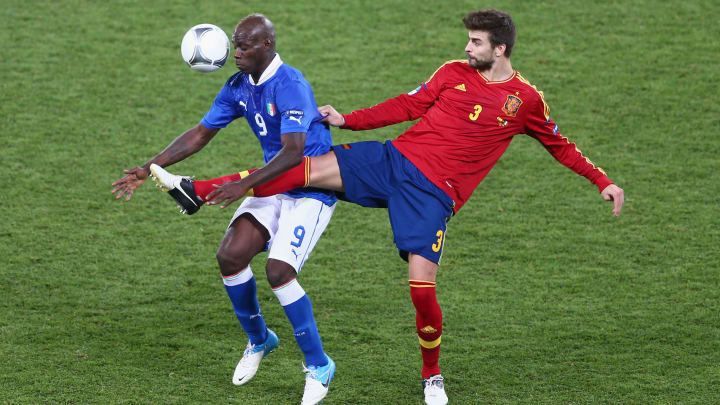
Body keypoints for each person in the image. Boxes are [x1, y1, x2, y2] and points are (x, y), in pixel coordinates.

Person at [151, 9, 625, 405]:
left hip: (433, 196)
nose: (467, 49)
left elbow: (560, 145)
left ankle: (432, 375)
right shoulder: (451, 73)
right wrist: (349, 121)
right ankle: (201, 187)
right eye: (468, 41)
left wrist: (601, 180)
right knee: (310, 168)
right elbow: (408, 104)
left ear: (500, 49)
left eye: (476, 43)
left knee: (421, 290)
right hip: (392, 161)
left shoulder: (524, 100)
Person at [111, 14, 337, 405]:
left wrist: (244, 183)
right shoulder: (238, 87)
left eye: (245, 46)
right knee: (230, 256)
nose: (237, 53)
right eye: (235, 45)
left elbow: (294, 152)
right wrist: (151, 167)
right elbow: (201, 134)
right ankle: (260, 340)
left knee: (279, 270)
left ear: (267, 45)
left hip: (310, 188)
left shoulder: (291, 85)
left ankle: (319, 365)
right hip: (269, 182)